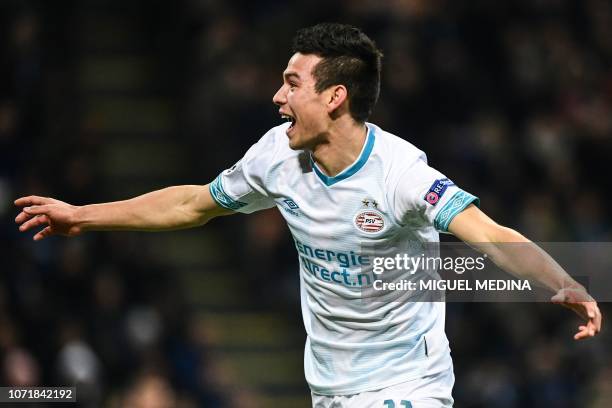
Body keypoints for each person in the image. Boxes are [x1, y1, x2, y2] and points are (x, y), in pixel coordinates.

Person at [15, 23, 601, 408]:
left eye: (292, 83)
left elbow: (490, 234)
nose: (278, 96)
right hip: (329, 387)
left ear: (334, 97)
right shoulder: (277, 155)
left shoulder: (399, 173)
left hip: (406, 387)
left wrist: (563, 281)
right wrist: (83, 216)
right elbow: (192, 203)